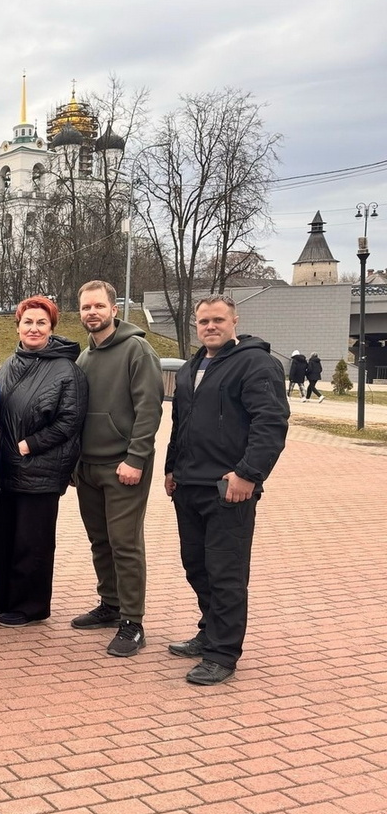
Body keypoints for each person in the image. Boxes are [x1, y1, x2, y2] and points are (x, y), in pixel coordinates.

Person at [165, 294, 289, 685]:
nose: (210, 327)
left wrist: (248, 474)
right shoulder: (191, 367)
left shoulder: (256, 364)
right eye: (203, 321)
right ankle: (210, 631)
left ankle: (222, 654)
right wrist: (171, 468)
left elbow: (270, 423)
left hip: (229, 489)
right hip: (188, 485)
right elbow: (180, 422)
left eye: (218, 320)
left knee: (226, 572)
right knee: (197, 566)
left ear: (234, 321)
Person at [71, 281, 164, 657]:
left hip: (124, 465)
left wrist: (136, 458)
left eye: (98, 306)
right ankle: (110, 604)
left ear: (114, 309)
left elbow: (149, 409)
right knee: (100, 541)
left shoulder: (137, 350)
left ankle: (132, 622)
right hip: (88, 467)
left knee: (125, 543)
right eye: (85, 307)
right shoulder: (84, 358)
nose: (92, 312)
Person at [0, 296, 87, 627]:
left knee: (33, 542)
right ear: (17, 326)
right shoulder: (10, 363)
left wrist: (30, 445)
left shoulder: (66, 370)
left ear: (51, 328)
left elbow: (69, 420)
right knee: (2, 537)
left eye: (42, 323)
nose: (34, 328)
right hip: (5, 468)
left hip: (39, 469)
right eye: (28, 322)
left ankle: (30, 606)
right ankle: (0, 598)